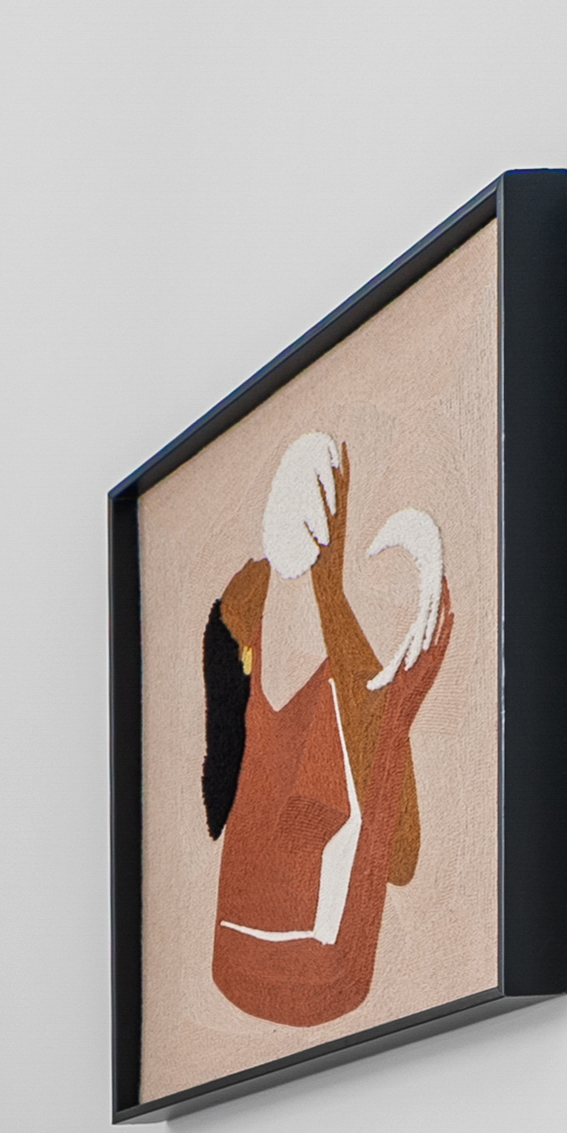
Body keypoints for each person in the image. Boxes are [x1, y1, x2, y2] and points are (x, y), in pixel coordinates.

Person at [198, 431, 452, 1027]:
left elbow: (401, 855)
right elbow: (401, 854)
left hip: (300, 966)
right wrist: (328, 595)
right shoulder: (252, 622)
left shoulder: (254, 619)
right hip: (294, 963)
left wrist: (329, 596)